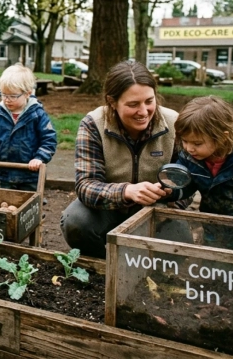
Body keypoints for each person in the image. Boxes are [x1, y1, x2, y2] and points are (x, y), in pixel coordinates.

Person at [60, 60, 190, 258]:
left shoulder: (174, 124)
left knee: (182, 241)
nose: (144, 111)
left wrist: (170, 195)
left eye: (149, 101)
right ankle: (105, 266)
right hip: (109, 208)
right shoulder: (93, 125)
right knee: (76, 223)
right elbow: (85, 185)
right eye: (133, 104)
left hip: (157, 208)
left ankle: (146, 267)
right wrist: (127, 191)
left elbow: (189, 181)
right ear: (112, 102)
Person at [173, 96, 233, 248]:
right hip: (211, 223)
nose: (189, 148)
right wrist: (170, 190)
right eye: (185, 141)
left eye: (197, 143)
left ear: (222, 137)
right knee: (213, 259)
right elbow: (183, 185)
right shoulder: (189, 157)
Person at [0, 63, 57, 191]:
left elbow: (49, 140)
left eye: (13, 96)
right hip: (5, 173)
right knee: (5, 203)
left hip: (30, 174)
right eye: (3, 94)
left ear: (27, 93)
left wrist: (39, 158)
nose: (7, 99)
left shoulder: (37, 114)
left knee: (30, 204)